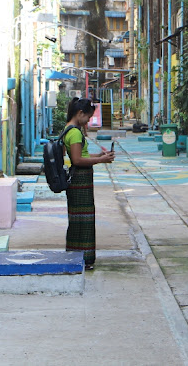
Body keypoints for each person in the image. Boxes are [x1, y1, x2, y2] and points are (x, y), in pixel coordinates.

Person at [63, 98, 115, 270]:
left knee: (79, 219)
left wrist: (99, 156)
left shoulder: (68, 130)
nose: (88, 121)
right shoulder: (75, 133)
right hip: (80, 180)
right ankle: (83, 257)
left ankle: (75, 254)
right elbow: (77, 159)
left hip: (79, 179)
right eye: (88, 117)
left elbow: (81, 155)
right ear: (80, 114)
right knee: (83, 220)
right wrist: (101, 160)